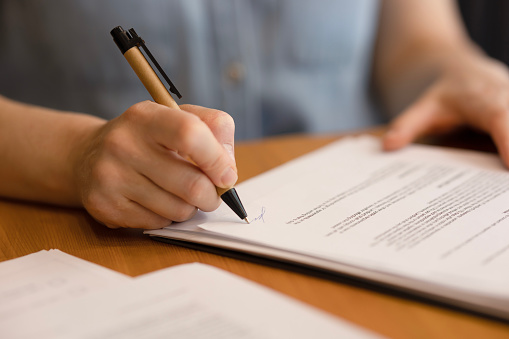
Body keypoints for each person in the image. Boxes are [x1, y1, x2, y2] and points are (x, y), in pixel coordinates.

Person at [1, 0, 509, 229]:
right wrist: (76, 154)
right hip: (95, 232)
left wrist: (462, 70)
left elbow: (418, 41)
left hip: (354, 187)